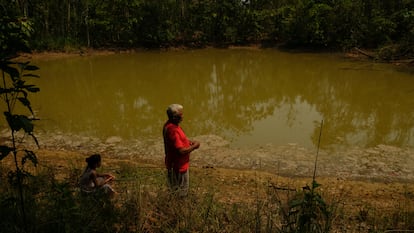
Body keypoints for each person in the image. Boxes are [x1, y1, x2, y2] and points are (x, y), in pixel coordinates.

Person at [163, 104, 200, 197]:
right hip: (178, 166)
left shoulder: (169, 125)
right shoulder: (173, 130)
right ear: (174, 117)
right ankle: (178, 209)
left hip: (173, 164)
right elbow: (181, 151)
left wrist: (189, 142)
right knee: (180, 192)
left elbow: (178, 141)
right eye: (180, 115)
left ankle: (174, 207)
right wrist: (194, 146)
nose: (182, 117)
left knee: (174, 190)